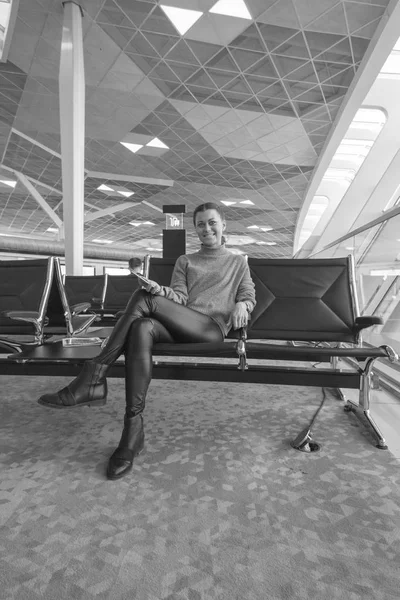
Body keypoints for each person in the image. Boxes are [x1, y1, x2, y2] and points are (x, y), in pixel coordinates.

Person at [38, 203, 256, 481]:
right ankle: (132, 433)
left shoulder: (237, 262)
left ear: (224, 224)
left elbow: (249, 292)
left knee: (143, 300)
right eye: (200, 224)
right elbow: (179, 298)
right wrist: (160, 290)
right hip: (182, 322)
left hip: (211, 329)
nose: (206, 229)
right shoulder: (186, 261)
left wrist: (243, 305)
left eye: (212, 222)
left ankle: (93, 376)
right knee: (142, 325)